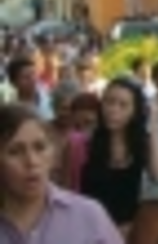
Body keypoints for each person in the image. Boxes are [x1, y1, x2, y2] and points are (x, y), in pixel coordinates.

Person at [0, 104, 122, 243]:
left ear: (53, 153)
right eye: (15, 151)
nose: (32, 162)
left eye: (40, 148)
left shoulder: (88, 215)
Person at [78, 77, 158, 234]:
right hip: (87, 229)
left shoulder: (141, 145)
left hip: (127, 232)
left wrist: (154, 126)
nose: (114, 110)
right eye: (109, 102)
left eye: (123, 105)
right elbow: (68, 189)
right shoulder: (83, 142)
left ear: (134, 111)